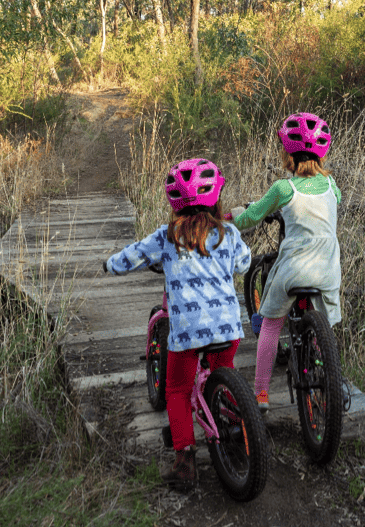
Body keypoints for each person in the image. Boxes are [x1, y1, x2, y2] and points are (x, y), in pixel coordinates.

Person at [103, 158, 251, 491]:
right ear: (216, 199)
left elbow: (133, 257)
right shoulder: (229, 233)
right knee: (220, 374)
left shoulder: (167, 237)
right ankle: (240, 429)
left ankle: (185, 461)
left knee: (177, 390)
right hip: (228, 328)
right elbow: (245, 262)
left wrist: (109, 265)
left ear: (175, 204)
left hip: (186, 332)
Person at [229, 113, 341, 412]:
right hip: (327, 268)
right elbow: (330, 205)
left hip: (295, 267)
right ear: (323, 151)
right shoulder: (332, 187)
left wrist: (233, 217)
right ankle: (330, 372)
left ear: (287, 151)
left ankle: (261, 394)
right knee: (326, 326)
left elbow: (251, 217)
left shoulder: (283, 189)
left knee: (270, 324)